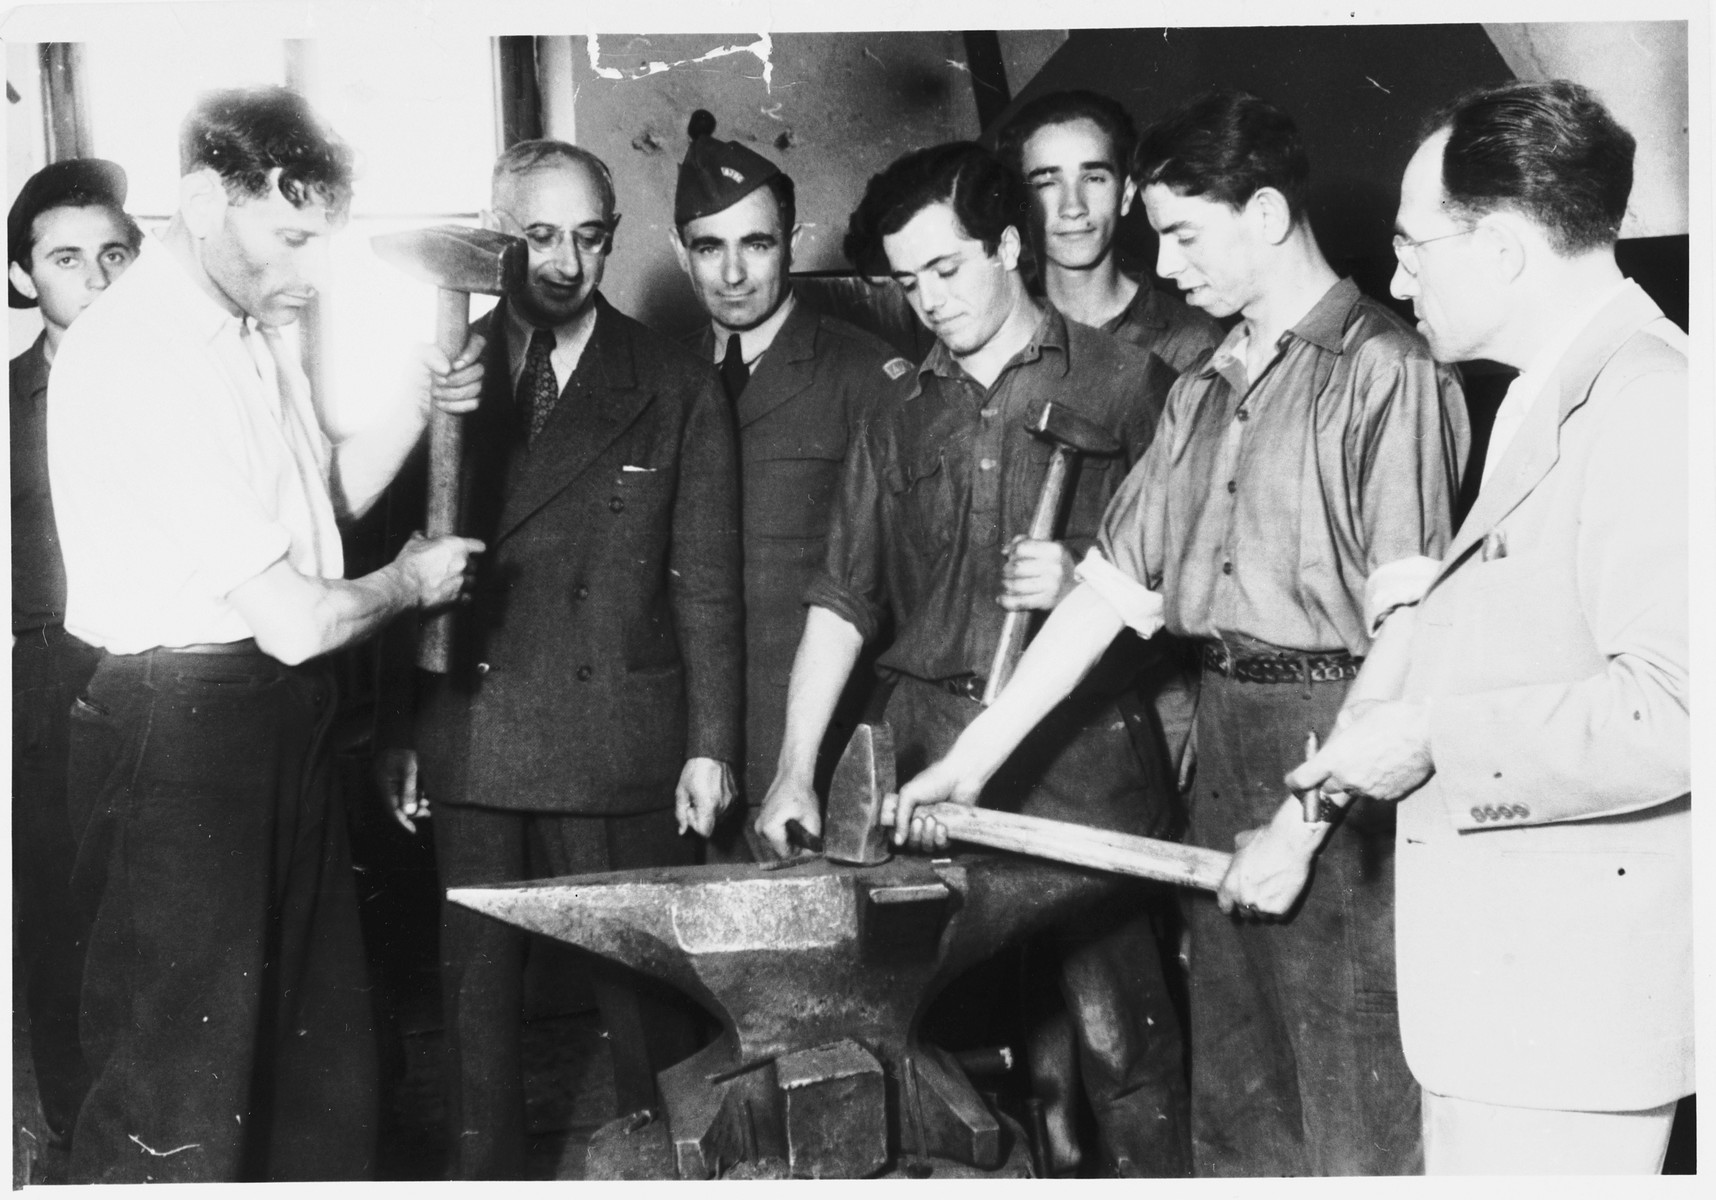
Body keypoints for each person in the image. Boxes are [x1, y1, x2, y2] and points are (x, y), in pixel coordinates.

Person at [891, 91, 1470, 1177]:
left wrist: (1304, 825)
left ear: (1264, 215)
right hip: (1226, 737)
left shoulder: (1388, 372)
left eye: (1182, 234)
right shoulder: (1203, 387)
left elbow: (1412, 633)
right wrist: (967, 767)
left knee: (1351, 1097)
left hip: (1345, 754)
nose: (1162, 262)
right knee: (1238, 1101)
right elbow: (1104, 598)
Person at [45, 86, 484, 1183]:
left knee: (312, 1065)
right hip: (181, 737)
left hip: (273, 719)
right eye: (289, 235)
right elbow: (297, 618)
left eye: (320, 239)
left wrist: (419, 401)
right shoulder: (142, 354)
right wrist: (413, 581)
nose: (309, 267)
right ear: (202, 200)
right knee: (175, 1088)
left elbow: (317, 506)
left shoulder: (246, 333)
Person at [1261, 79, 1690, 1175]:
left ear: (1500, 249)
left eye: (1414, 247)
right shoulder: (1552, 394)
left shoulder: (1651, 405)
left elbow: (1681, 713)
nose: (1395, 279)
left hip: (1570, 1025)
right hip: (1517, 1011)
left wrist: (1433, 739)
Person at [754, 141, 1188, 1177]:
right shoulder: (898, 412)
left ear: (1008, 245)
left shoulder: (1134, 387)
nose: (929, 301)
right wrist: (792, 765)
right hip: (923, 773)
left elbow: (1198, 580)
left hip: (1083, 771)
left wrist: (1088, 569)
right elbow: (842, 600)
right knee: (949, 1060)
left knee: (1118, 1046)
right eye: (907, 282)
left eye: (947, 270)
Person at [378, 138, 744, 1179]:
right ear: (496, 237)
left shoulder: (672, 380)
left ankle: (671, 1172)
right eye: (538, 236)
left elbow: (706, 580)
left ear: (613, 241)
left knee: (644, 1003)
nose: (564, 261)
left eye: (587, 237)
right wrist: (401, 730)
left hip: (617, 734)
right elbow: (402, 568)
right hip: (472, 724)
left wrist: (710, 745)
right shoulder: (442, 376)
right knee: (474, 995)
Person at [669, 110, 914, 858]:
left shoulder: (866, 376)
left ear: (793, 244)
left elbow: (900, 584)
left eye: (757, 243)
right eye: (710, 247)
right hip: (690, 751)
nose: (733, 273)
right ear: (682, 256)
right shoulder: (662, 380)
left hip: (826, 742)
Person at [8, 157, 142, 1156]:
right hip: (48, 679)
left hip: (169, 669)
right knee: (58, 913)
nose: (94, 278)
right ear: (22, 278)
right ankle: (73, 1138)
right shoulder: (10, 406)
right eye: (66, 258)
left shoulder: (179, 389)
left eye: (114, 254)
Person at [998, 89, 1222, 375]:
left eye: (1093, 178)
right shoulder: (995, 334)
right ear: (1021, 203)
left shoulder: (1190, 344)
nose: (1073, 206)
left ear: (1126, 195)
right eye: (1047, 183)